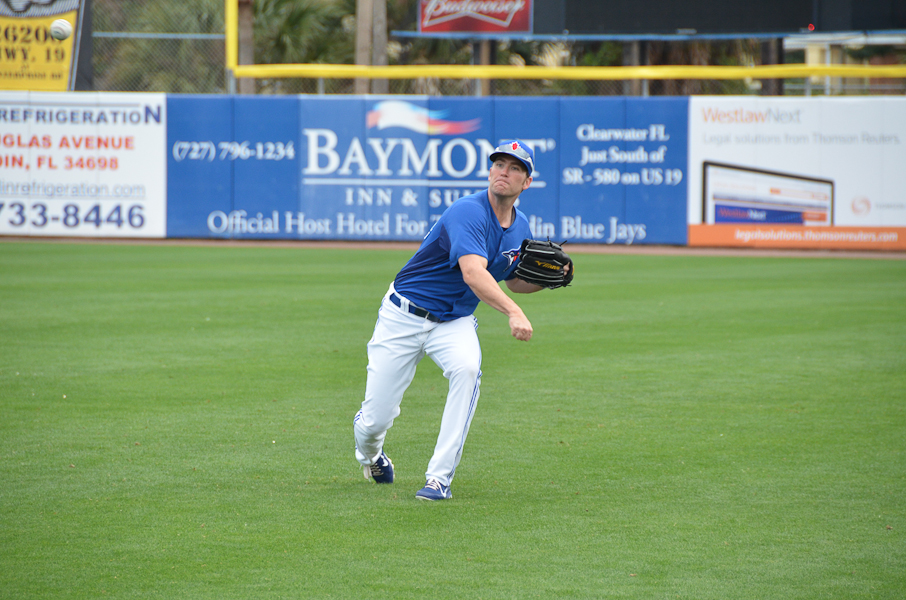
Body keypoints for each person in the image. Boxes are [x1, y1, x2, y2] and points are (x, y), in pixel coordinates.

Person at [353, 139, 557, 501]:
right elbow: (473, 274)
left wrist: (545, 282)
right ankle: (372, 455)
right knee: (374, 422)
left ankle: (438, 479)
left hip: (454, 321)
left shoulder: (520, 225)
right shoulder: (468, 211)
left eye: (514, 168)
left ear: (526, 182)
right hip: (403, 315)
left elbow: (511, 279)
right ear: (490, 171)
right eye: (498, 165)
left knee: (466, 371)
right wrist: (513, 311)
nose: (503, 173)